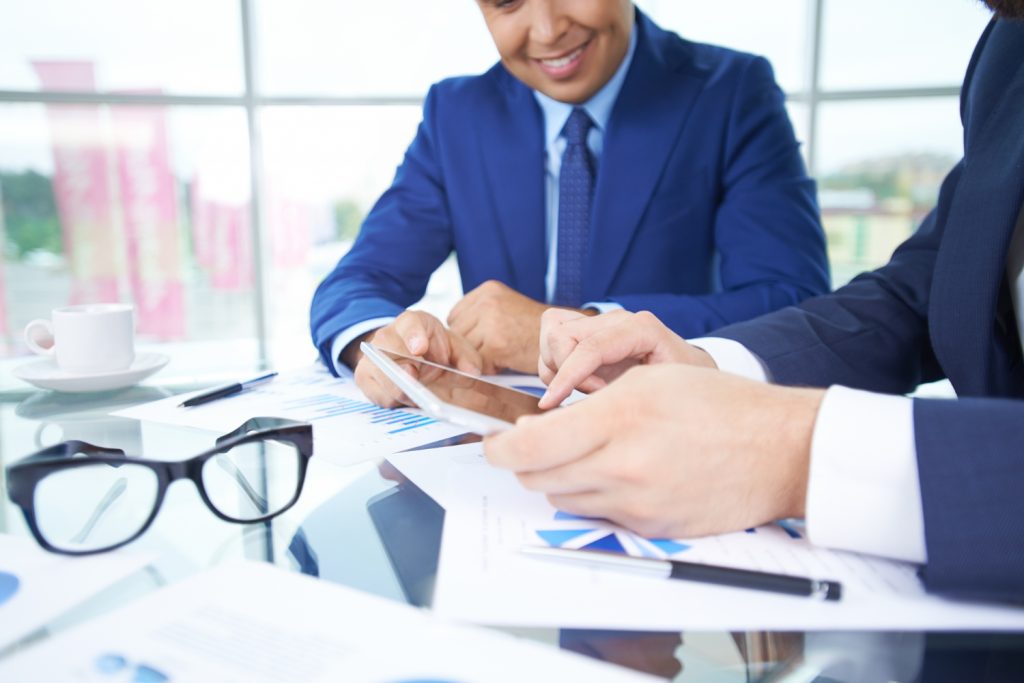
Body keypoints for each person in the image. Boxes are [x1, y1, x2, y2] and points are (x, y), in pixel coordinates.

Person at [484, 4, 1024, 603]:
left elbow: (789, 283)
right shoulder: (1009, 46)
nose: (546, 27)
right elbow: (920, 292)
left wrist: (803, 451)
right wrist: (710, 369)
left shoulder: (729, 87)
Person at [310, 0, 829, 407]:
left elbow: (792, 297)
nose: (546, 30)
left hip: (671, 430)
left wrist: (571, 327)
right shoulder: (456, 114)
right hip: (497, 455)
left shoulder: (732, 93)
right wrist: (380, 342)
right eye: (507, 1)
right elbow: (358, 281)